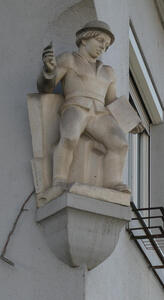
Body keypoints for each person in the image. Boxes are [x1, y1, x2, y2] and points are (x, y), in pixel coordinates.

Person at [37, 20, 143, 203]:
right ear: (84, 39)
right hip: (75, 106)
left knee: (120, 144)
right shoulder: (68, 59)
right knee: (69, 137)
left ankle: (113, 182)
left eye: (106, 45)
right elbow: (47, 87)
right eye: (100, 40)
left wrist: (131, 120)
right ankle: (59, 180)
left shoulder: (108, 72)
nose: (103, 47)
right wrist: (48, 70)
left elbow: (111, 100)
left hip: (99, 113)